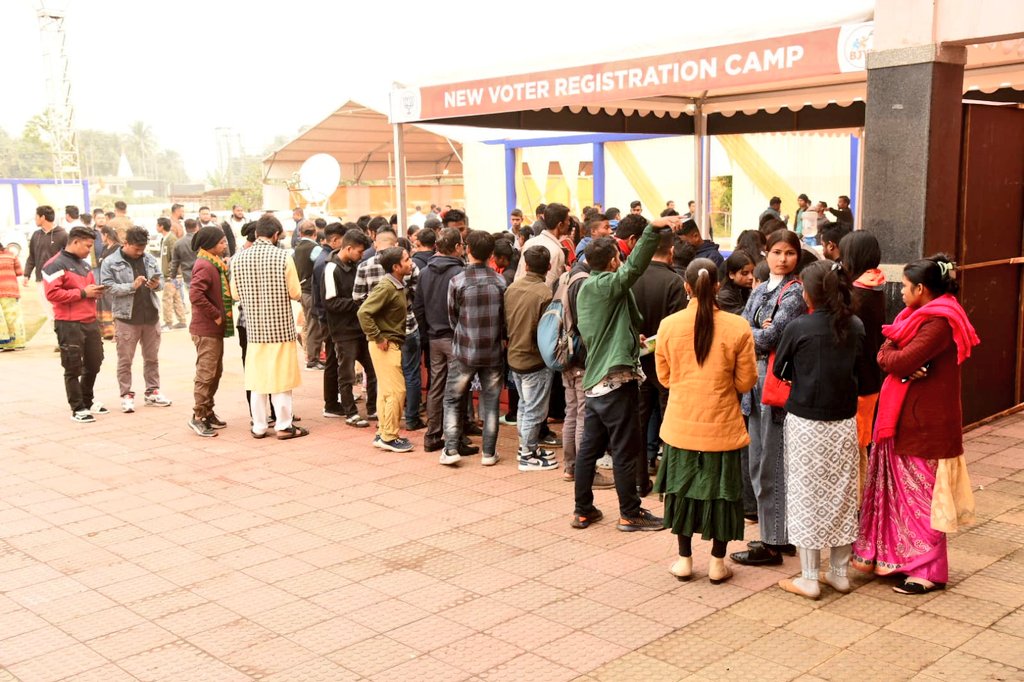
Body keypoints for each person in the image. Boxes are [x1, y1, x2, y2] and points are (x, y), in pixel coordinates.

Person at [854, 255, 978, 595]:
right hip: (907, 420)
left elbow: (898, 359)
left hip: (925, 425)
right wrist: (895, 358)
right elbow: (886, 353)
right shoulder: (914, 317)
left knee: (923, 499)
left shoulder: (940, 322)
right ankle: (902, 561)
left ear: (921, 289)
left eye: (906, 287)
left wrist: (897, 360)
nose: (902, 292)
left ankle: (929, 571)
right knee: (904, 497)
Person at [571, 214, 680, 532]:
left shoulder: (588, 287)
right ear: (612, 261)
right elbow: (634, 268)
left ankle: (583, 510)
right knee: (624, 449)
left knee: (589, 450)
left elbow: (607, 327)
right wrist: (652, 230)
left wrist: (633, 337)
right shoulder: (606, 284)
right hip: (616, 382)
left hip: (595, 382)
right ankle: (630, 513)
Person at [655, 258, 757, 583]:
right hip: (723, 426)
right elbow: (745, 382)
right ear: (718, 285)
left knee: (682, 493)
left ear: (686, 286)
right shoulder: (738, 326)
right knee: (722, 496)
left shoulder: (668, 325)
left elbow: (665, 378)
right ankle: (716, 563)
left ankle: (684, 560)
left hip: (680, 426)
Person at [773, 260, 864, 599]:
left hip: (806, 424)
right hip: (844, 422)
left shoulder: (799, 327)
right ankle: (839, 574)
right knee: (842, 494)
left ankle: (809, 577)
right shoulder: (855, 325)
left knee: (805, 495)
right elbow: (866, 374)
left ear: (809, 293)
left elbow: (780, 370)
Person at [731, 228, 807, 566]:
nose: (783, 259)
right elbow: (746, 329)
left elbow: (769, 337)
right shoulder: (760, 289)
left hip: (775, 378)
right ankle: (777, 533)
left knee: (770, 462)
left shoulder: (795, 293)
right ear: (766, 253)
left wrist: (756, 331)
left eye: (789, 253)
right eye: (777, 252)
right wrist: (757, 329)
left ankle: (773, 541)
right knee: (758, 460)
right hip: (754, 378)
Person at [231, 214, 306, 440]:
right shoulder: (283, 257)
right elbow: (295, 292)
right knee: (281, 379)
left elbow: (235, 294)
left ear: (256, 233)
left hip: (254, 329)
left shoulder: (238, 259)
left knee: (257, 380)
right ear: (275, 235)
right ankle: (283, 425)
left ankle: (259, 426)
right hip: (280, 328)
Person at [440, 231, 506, 467]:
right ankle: (488, 452)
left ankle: (450, 449)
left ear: (468, 249)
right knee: (491, 402)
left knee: (452, 399)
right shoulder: (500, 282)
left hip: (465, 350)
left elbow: (452, 317)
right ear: (491, 254)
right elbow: (504, 319)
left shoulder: (457, 281)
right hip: (493, 350)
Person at [631, 230, 686, 493]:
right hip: (667, 363)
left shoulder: (632, 278)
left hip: (637, 361)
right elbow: (678, 327)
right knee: (670, 422)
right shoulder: (675, 282)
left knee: (639, 423)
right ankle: (669, 483)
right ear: (671, 251)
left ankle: (639, 480)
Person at [414, 228, 477, 455]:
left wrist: (426, 335)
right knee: (457, 390)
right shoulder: (460, 273)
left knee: (436, 387)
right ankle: (455, 438)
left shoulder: (424, 272)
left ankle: (433, 435)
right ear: (457, 247)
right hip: (454, 337)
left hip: (434, 337)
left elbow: (418, 307)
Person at [99, 226, 172, 413]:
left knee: (152, 358)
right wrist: (131, 286)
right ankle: (126, 394)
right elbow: (107, 287)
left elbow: (161, 281)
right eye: (137, 248)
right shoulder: (110, 262)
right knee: (125, 360)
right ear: (126, 243)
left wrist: (156, 285)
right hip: (126, 318)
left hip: (151, 316)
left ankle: (152, 391)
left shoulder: (149, 259)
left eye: (143, 248)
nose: (140, 252)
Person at [354, 230, 422, 429]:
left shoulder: (367, 267)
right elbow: (364, 312)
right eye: (407, 259)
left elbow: (358, 298)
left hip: (394, 333)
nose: (411, 262)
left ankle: (385, 427)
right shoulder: (387, 285)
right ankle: (393, 429)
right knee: (397, 387)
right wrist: (378, 334)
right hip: (391, 336)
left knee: (388, 386)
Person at [44, 227, 107, 422]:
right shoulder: (54, 265)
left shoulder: (85, 266)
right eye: (88, 246)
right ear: (75, 242)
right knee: (72, 366)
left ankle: (87, 400)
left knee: (95, 362)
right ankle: (77, 407)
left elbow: (88, 290)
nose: (90, 250)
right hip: (68, 323)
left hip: (90, 321)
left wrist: (95, 292)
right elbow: (52, 294)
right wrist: (83, 293)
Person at [841, 231, 886, 495]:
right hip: (873, 376)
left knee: (858, 446)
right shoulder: (876, 284)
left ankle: (860, 502)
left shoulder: (858, 293)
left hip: (859, 380)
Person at [504, 245, 555, 471]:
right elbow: (548, 332)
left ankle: (527, 447)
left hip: (515, 355)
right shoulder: (546, 294)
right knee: (534, 409)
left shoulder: (512, 288)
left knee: (525, 406)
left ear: (525, 266)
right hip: (535, 359)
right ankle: (527, 454)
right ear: (549, 267)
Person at [322, 228, 373, 426]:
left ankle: (373, 409)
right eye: (360, 251)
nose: (362, 255)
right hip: (343, 330)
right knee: (347, 373)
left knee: (372, 369)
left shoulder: (355, 265)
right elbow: (330, 303)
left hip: (360, 328)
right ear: (349, 248)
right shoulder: (331, 269)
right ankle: (350, 412)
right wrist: (358, 303)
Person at [188, 226, 232, 437]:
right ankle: (198, 417)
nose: (225, 245)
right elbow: (195, 294)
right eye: (221, 242)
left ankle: (208, 411)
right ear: (210, 245)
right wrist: (215, 314)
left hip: (213, 329)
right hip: (206, 329)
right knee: (206, 374)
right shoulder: (205, 265)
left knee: (215, 372)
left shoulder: (214, 263)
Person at [293, 221, 327, 370]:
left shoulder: (297, 249)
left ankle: (313, 356)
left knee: (309, 324)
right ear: (315, 234)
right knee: (314, 326)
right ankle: (313, 359)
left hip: (302, 290)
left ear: (300, 233)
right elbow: (322, 265)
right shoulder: (315, 249)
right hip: (311, 292)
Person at [23, 206, 69, 314]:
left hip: (58, 279)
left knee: (59, 310)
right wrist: (26, 274)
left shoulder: (63, 235)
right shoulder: (36, 235)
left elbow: (69, 257)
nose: (35, 219)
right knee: (48, 310)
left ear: (42, 217)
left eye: (36, 216)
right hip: (41, 279)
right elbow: (32, 256)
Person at [516, 203, 571, 286]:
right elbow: (549, 285)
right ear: (560, 225)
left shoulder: (529, 243)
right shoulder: (556, 251)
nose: (569, 223)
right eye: (568, 220)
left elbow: (518, 275)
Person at [156, 217, 187, 331]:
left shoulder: (171, 239)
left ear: (161, 226)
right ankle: (182, 321)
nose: (156, 227)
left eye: (157, 225)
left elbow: (175, 258)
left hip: (172, 275)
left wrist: (171, 273)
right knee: (176, 298)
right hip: (172, 275)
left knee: (167, 299)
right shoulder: (165, 239)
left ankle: (168, 323)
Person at [0, 242, 25, 351]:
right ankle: (17, 343)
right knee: (13, 317)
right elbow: (19, 272)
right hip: (11, 290)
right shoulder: (11, 255)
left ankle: (3, 343)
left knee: (2, 319)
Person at [170, 219, 199, 305]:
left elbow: (174, 262)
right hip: (202, 274)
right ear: (196, 227)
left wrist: (173, 277)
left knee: (194, 301)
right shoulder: (201, 241)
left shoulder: (178, 243)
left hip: (188, 276)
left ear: (185, 228)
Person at [717, 250, 755, 315]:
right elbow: (744, 316)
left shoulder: (751, 289)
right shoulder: (725, 297)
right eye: (744, 273)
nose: (751, 277)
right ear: (731, 274)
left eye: (753, 272)